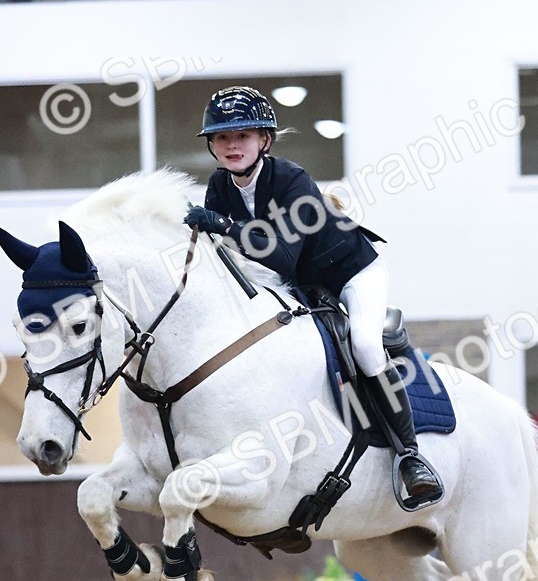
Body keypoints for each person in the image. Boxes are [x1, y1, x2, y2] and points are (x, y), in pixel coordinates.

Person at [183, 85, 443, 507]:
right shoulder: (220, 187)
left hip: (351, 273)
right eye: (222, 137)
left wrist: (226, 227)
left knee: (364, 346)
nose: (231, 145)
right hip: (299, 286)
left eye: (242, 135)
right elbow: (230, 261)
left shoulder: (291, 179)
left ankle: (410, 456)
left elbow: (284, 256)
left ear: (264, 140)